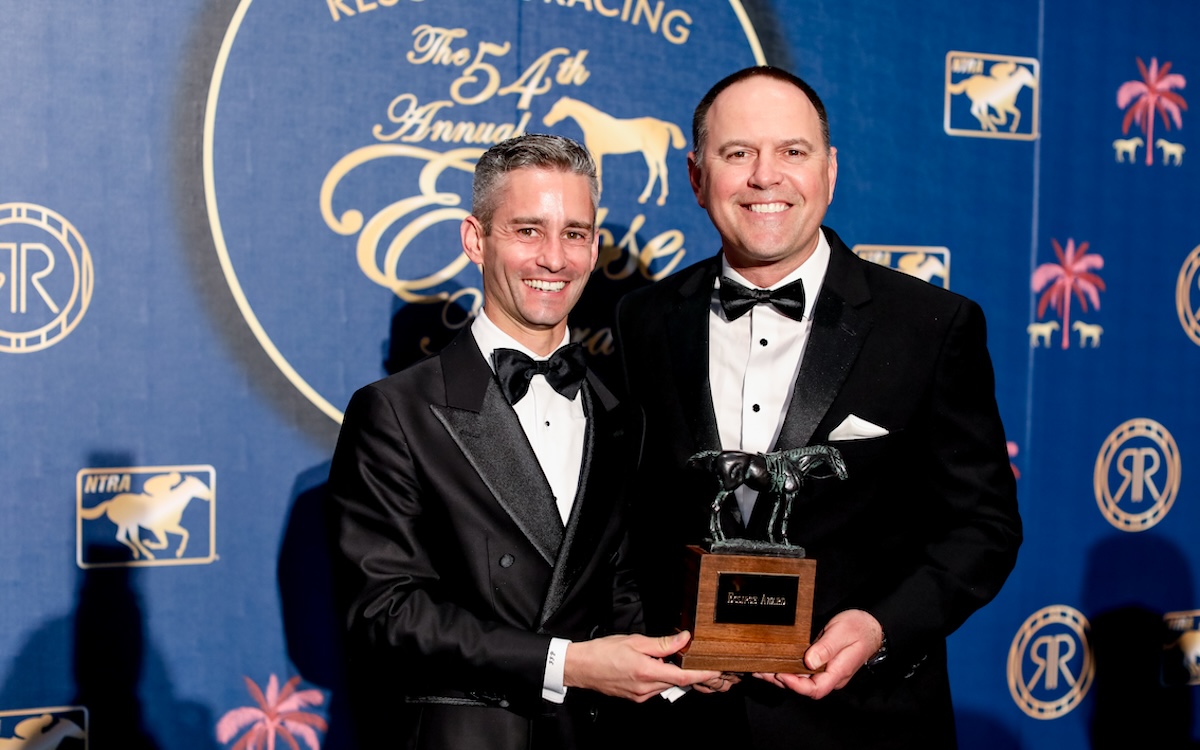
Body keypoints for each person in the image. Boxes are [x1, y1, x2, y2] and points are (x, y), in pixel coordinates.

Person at [615, 66, 1023, 748]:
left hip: (864, 721)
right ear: (694, 175)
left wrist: (880, 627)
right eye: (737, 153)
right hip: (683, 723)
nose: (764, 177)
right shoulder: (643, 320)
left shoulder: (928, 326)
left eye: (792, 153)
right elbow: (627, 515)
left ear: (829, 172)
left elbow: (983, 528)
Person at [326, 133, 724, 750]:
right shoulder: (395, 412)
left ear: (594, 249)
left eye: (575, 233)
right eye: (527, 230)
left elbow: (615, 588)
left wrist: (679, 666)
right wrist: (566, 663)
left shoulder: (620, 413)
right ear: (475, 240)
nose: (554, 259)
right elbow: (385, 613)